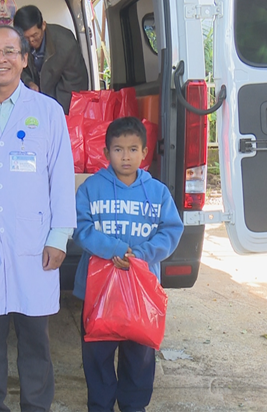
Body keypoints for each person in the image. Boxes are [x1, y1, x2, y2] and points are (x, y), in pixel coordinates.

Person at [0, 25, 77, 412]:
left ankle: (36, 406)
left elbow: (62, 176)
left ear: (24, 59)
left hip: (34, 243)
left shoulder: (47, 112)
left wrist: (59, 236)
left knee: (35, 338)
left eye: (9, 52)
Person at [72, 117, 184, 412]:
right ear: (106, 152)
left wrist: (142, 254)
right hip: (98, 294)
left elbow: (171, 230)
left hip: (141, 292)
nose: (125, 156)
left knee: (139, 358)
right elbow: (81, 228)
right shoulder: (90, 189)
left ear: (144, 152)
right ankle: (100, 405)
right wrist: (116, 249)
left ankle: (134, 407)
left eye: (133, 149)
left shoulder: (158, 192)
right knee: (97, 357)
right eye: (118, 149)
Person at [13, 5, 88, 115]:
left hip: (59, 104)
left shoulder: (66, 43)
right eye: (26, 38)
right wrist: (29, 82)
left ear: (43, 25)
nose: (31, 41)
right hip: (32, 102)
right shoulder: (16, 42)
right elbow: (16, 69)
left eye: (35, 35)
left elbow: (74, 85)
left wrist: (54, 112)